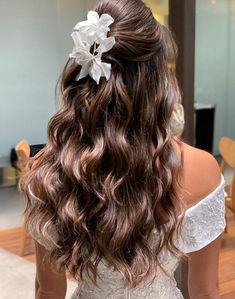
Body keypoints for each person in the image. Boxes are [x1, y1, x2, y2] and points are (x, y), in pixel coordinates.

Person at [20, 0, 225, 298]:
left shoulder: (47, 171)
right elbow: (206, 292)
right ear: (158, 77)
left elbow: (47, 291)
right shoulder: (201, 168)